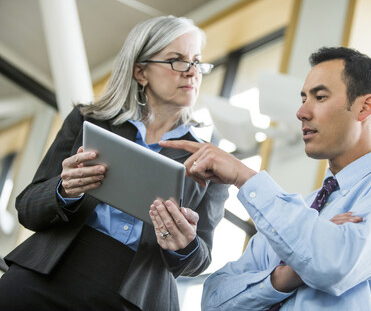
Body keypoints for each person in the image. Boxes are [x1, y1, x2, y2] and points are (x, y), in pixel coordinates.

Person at [158, 47, 371, 310]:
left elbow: (332, 263)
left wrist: (245, 177)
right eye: (304, 98)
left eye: (320, 97)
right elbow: (213, 299)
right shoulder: (298, 212)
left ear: (364, 108)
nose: (301, 112)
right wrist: (285, 275)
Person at [0, 16, 228, 311]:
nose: (192, 73)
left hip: (136, 294)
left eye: (196, 62)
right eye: (177, 60)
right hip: (52, 270)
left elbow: (200, 260)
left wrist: (185, 243)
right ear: (140, 72)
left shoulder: (209, 157)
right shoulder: (89, 121)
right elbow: (27, 207)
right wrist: (64, 190)